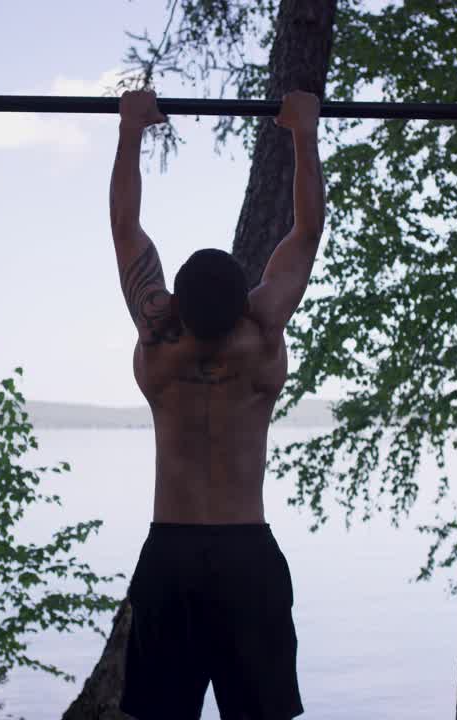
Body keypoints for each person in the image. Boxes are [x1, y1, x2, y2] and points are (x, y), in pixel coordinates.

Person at [108, 87, 324, 720]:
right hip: (244, 558)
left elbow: (125, 230)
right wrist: (302, 133)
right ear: (244, 302)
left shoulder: (158, 343)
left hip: (170, 556)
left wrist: (130, 130)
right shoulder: (260, 340)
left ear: (173, 300)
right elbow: (306, 232)